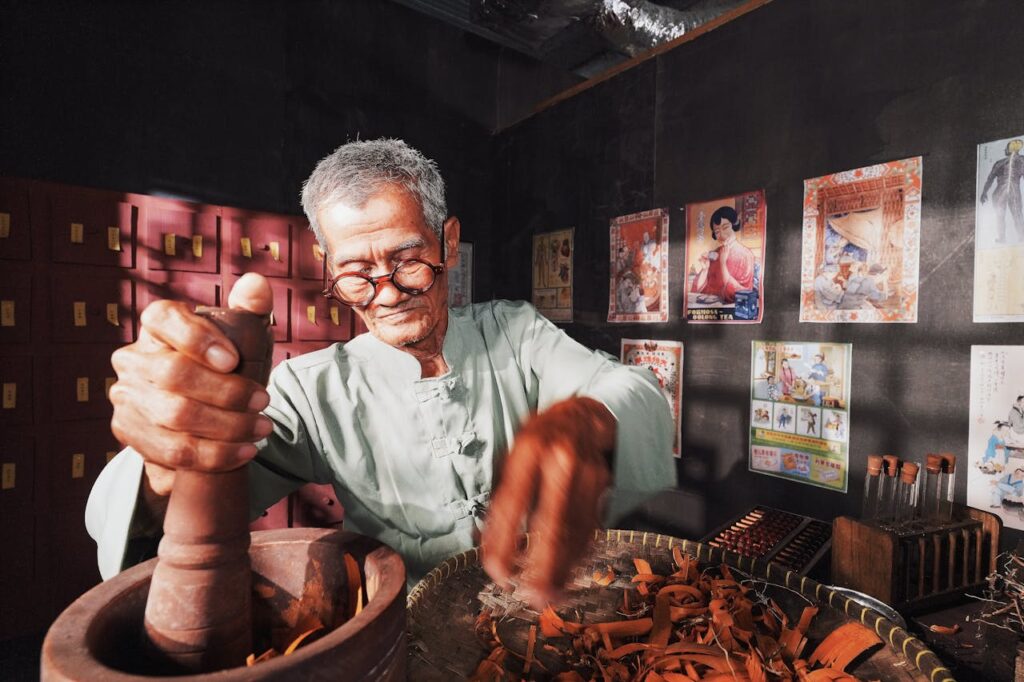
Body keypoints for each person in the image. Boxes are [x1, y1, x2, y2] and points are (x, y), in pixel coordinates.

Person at [85, 140, 675, 606]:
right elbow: (179, 514)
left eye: (408, 262)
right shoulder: (309, 392)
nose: (386, 293)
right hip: (405, 636)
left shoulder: (514, 333)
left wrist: (585, 419)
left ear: (448, 243)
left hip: (545, 609)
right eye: (355, 274)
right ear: (327, 266)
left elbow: (635, 390)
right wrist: (167, 463)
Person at [689, 206, 755, 304]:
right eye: (717, 232)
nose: (722, 235)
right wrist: (705, 269)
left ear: (734, 225)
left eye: (725, 227)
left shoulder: (746, 254)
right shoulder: (714, 253)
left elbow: (743, 293)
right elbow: (697, 291)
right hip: (710, 306)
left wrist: (723, 263)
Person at [980, 139, 1024, 243]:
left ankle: (1002, 238)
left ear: (1009, 150)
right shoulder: (1022, 160)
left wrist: (984, 193)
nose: (1005, 150)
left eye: (1006, 148)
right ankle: (1021, 237)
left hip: (999, 193)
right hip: (1014, 192)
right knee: (1017, 215)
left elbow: (990, 179)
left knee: (1000, 216)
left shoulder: (999, 163)